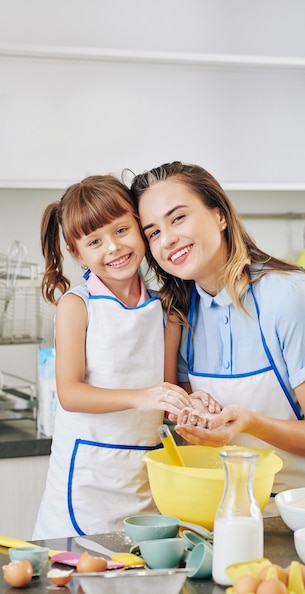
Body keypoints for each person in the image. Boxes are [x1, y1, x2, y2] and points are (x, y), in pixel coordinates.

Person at [130, 161, 305, 498]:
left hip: (302, 514)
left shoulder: (290, 297)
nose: (168, 239)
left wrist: (248, 423)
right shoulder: (179, 314)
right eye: (154, 232)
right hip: (222, 512)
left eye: (178, 218)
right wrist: (195, 420)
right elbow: (192, 431)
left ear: (220, 215)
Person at [33, 174, 215, 539]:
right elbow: (70, 394)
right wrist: (142, 396)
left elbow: (164, 398)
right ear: (76, 252)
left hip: (142, 480)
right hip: (84, 484)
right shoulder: (77, 306)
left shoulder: (167, 310)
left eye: (121, 230)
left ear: (139, 227)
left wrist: (190, 403)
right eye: (95, 241)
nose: (113, 248)